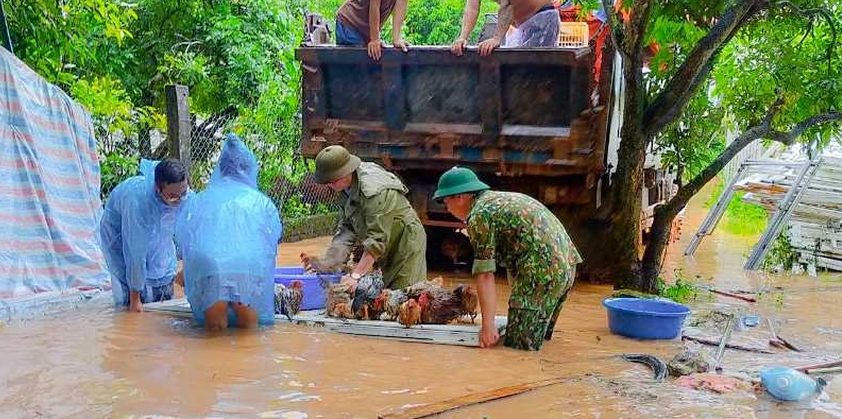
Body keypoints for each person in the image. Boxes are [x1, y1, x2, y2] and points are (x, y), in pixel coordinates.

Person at [432, 166, 581, 351]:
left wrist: (487, 325)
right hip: (565, 268)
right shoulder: (500, 200)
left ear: (460, 197)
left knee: (518, 350)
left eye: (445, 202)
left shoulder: (479, 215)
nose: (447, 209)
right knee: (539, 341)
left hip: (539, 275)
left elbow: (485, 274)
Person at [176, 134, 282, 331]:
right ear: (250, 168)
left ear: (221, 168)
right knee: (248, 330)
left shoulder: (199, 199)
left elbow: (184, 238)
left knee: (215, 330)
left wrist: (187, 272)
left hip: (209, 265)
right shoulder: (262, 202)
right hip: (248, 265)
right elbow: (272, 239)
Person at [300, 145, 427, 290]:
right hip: (384, 241)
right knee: (381, 295)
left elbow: (376, 241)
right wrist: (327, 264)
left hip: (405, 241)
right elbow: (347, 229)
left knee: (405, 293)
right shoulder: (345, 188)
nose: (329, 185)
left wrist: (355, 276)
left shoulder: (373, 192)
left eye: (331, 181)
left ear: (345, 173)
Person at [99, 158, 189, 312]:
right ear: (158, 189)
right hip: (119, 233)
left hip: (154, 229)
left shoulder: (181, 194)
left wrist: (186, 270)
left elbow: (191, 233)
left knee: (162, 264)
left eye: (184, 193)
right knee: (130, 298)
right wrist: (135, 300)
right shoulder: (137, 204)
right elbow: (135, 252)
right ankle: (130, 297)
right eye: (174, 196)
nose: (180, 201)